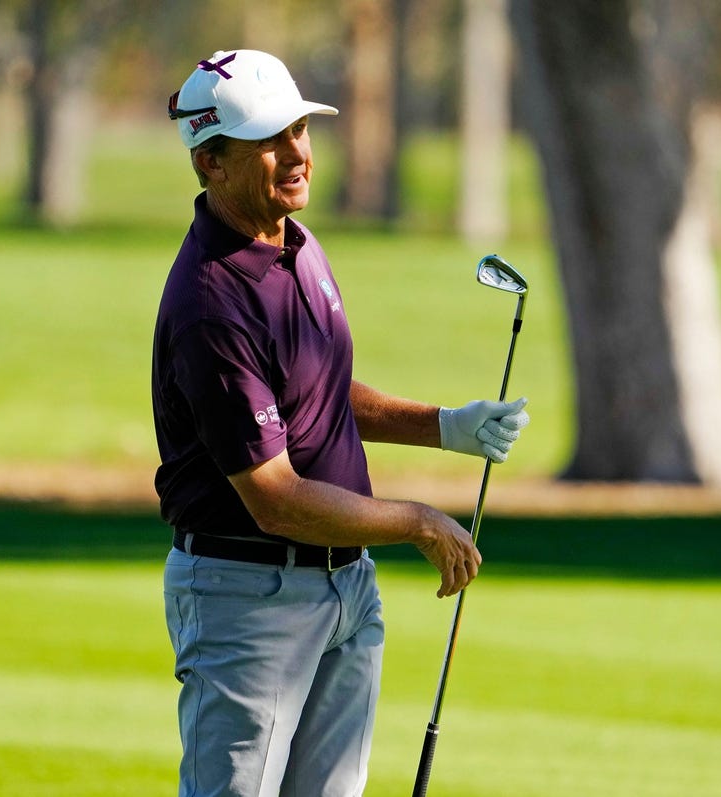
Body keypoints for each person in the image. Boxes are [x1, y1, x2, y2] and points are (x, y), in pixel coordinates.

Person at [152, 49, 530, 797]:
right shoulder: (211, 304)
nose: (297, 154)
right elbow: (275, 496)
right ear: (211, 163)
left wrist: (448, 426)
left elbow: (314, 389)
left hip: (346, 590)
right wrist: (418, 520)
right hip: (247, 599)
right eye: (270, 139)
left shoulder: (295, 244)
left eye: (299, 130)